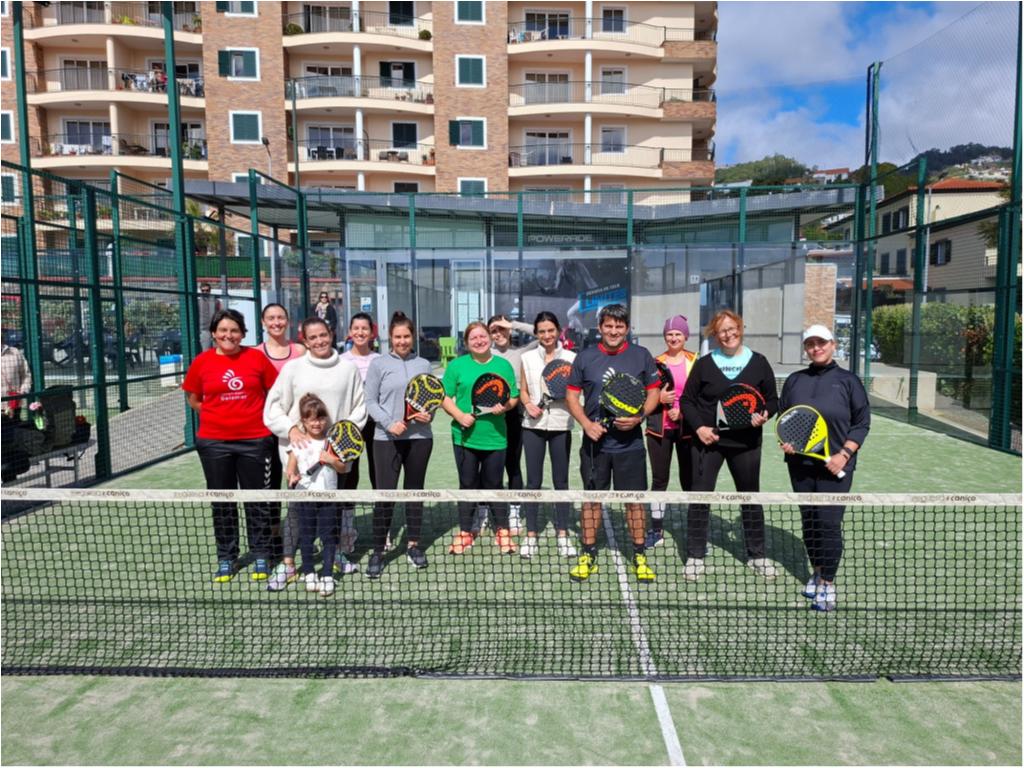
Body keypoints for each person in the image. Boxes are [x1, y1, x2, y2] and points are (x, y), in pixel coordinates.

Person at [263, 316, 366, 589]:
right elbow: (272, 409)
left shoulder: (348, 369)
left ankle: (334, 558)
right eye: (313, 337)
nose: (320, 341)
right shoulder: (292, 369)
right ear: (304, 341)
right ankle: (288, 565)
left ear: (331, 334)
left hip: (335, 459)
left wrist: (339, 444)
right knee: (297, 515)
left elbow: (359, 410)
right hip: (299, 459)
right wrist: (290, 429)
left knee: (333, 512)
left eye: (324, 335)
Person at [679, 309, 779, 581]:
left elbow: (772, 400)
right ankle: (695, 555)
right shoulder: (704, 363)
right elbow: (687, 400)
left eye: (732, 328)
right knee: (700, 498)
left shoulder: (758, 362)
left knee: (750, 497)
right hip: (708, 442)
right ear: (715, 334)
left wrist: (765, 414)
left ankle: (757, 555)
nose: (728, 334)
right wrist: (700, 428)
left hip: (745, 443)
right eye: (722, 330)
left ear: (740, 328)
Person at [565, 304, 661, 583]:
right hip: (595, 446)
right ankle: (588, 553)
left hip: (630, 445)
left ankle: (640, 555)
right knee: (592, 500)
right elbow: (572, 397)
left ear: (627, 328)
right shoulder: (585, 358)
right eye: (609, 325)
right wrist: (586, 424)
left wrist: (639, 417)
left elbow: (653, 394)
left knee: (634, 502)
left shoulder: (641, 356)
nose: (614, 331)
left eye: (619, 326)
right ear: (601, 327)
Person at [182, 308, 279, 583]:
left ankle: (261, 554)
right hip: (214, 444)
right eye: (223, 330)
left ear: (243, 334)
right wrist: (219, 417)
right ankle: (227, 557)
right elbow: (194, 399)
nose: (228, 335)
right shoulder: (202, 362)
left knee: (257, 502)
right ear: (214, 333)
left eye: (234, 330)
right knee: (222, 503)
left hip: (256, 441)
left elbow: (275, 393)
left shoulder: (256, 358)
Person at [779, 324, 870, 612]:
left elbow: (862, 422)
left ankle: (828, 584)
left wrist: (844, 454)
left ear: (832, 344)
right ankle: (817, 571)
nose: (816, 348)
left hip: (837, 466)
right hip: (801, 464)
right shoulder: (795, 380)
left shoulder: (848, 381)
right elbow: (787, 418)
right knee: (809, 522)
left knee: (829, 525)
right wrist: (789, 443)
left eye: (821, 343)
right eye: (810, 344)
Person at [363, 311, 435, 578]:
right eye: (397, 337)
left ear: (412, 336)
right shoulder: (379, 365)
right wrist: (388, 423)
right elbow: (370, 401)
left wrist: (429, 414)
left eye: (406, 336)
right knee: (385, 496)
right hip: (386, 440)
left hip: (419, 439)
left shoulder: (424, 364)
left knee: (414, 494)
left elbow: (431, 398)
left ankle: (414, 545)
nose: (402, 341)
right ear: (390, 338)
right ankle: (379, 550)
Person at [441, 321, 520, 555]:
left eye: (482, 336)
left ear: (490, 338)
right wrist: (459, 415)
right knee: (467, 485)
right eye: (473, 338)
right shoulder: (456, 366)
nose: (479, 341)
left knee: (494, 484)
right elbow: (444, 396)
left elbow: (513, 397)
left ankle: (502, 531)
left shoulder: (503, 366)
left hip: (495, 437)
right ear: (466, 343)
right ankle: (465, 531)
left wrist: (504, 407)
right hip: (464, 437)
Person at [517, 311, 577, 559]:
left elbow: (574, 391)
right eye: (541, 331)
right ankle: (531, 534)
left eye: (550, 330)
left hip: (561, 425)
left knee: (561, 481)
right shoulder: (527, 357)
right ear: (536, 333)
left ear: (558, 330)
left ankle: (563, 533)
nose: (546, 335)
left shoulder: (572, 358)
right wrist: (528, 404)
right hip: (533, 425)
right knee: (533, 481)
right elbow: (523, 390)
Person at [285, 394, 350, 598]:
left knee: (329, 537)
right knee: (306, 536)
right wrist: (292, 475)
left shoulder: (333, 443)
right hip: (305, 498)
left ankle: (328, 576)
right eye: (312, 419)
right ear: (304, 421)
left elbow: (343, 469)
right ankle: (310, 572)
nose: (317, 423)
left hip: (329, 499)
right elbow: (291, 468)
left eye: (321, 418)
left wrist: (331, 459)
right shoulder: (298, 444)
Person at [257, 303, 306, 566]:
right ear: (263, 322)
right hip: (265, 432)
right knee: (269, 488)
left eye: (280, 318)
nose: (276, 322)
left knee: (295, 484)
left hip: (297, 435)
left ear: (288, 321)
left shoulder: (300, 351)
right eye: (271, 318)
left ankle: (299, 539)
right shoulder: (255, 353)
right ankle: (275, 542)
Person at [644, 315, 697, 548]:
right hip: (659, 431)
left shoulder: (696, 361)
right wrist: (660, 399)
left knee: (690, 481)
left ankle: (695, 531)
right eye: (669, 333)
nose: (674, 337)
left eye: (678, 333)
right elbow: (643, 396)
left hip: (688, 431)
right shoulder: (654, 363)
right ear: (664, 336)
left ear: (686, 336)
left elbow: (701, 397)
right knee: (659, 480)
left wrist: (683, 413)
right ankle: (656, 530)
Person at [487, 314, 538, 534]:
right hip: (488, 416)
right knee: (489, 466)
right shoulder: (483, 355)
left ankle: (515, 510)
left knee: (513, 464)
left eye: (502, 329)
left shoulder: (522, 352)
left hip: (514, 414)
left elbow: (543, 334)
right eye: (494, 331)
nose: (498, 334)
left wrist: (513, 324)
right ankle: (485, 510)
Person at [340, 312, 380, 491]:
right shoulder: (340, 361)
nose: (360, 332)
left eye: (365, 328)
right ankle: (346, 516)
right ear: (350, 331)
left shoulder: (380, 360)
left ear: (372, 333)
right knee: (349, 472)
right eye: (356, 328)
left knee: (377, 470)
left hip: (376, 423)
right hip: (350, 423)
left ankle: (381, 515)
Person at [1, 338, 32, 421]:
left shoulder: (15, 352)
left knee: (13, 430)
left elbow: (26, 374)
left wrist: (22, 391)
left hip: (15, 405)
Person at [196, 282, 221, 351]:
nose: (205, 292)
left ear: (210, 291)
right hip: (204, 329)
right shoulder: (197, 302)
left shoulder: (216, 301)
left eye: (207, 290)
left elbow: (219, 313)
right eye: (203, 290)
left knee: (217, 350)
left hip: (215, 329)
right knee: (206, 350)